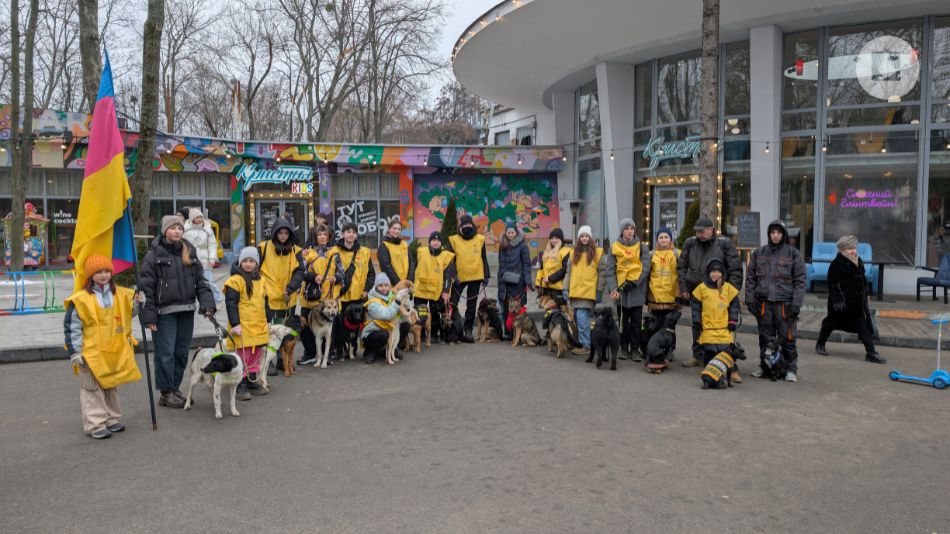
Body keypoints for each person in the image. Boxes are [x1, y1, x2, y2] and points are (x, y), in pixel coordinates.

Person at [140, 215, 216, 409]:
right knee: (166, 353)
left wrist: (207, 303)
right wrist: (148, 316)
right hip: (164, 312)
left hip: (186, 310)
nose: (177, 231)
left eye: (179, 228)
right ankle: (166, 392)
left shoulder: (189, 251)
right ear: (165, 230)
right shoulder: (154, 255)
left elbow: (200, 280)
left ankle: (174, 388)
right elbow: (146, 288)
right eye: (173, 228)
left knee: (181, 352)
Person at [63, 255, 142, 439]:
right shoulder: (80, 299)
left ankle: (112, 419)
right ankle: (95, 424)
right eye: (99, 272)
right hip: (89, 353)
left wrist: (139, 302)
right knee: (91, 388)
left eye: (107, 271)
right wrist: (75, 352)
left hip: (112, 350)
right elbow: (72, 327)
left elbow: (129, 314)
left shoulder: (120, 294)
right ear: (90, 275)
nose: (104, 275)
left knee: (110, 385)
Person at [746, 220, 807, 382]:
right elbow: (751, 279)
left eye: (779, 233)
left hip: (784, 304)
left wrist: (796, 303)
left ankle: (790, 369)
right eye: (772, 232)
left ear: (784, 235)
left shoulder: (793, 254)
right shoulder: (759, 253)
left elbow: (800, 280)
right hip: (764, 303)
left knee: (787, 337)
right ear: (769, 234)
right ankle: (765, 367)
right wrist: (750, 300)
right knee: (765, 338)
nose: (775, 235)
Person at [677, 216, 742, 367]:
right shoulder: (690, 243)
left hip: (718, 293)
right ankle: (698, 355)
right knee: (697, 324)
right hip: (696, 292)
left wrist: (730, 293)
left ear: (711, 230)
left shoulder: (724, 244)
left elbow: (736, 270)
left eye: (702, 231)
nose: (699, 234)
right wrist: (684, 288)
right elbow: (681, 268)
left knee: (720, 325)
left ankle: (721, 357)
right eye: (697, 231)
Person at [815, 235, 887, 364]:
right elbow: (832, 283)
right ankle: (820, 344)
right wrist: (838, 300)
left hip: (857, 304)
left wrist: (867, 294)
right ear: (842, 250)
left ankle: (871, 353)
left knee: (863, 327)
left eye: (854, 247)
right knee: (830, 324)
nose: (853, 251)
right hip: (840, 305)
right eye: (849, 248)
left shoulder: (858, 261)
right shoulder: (836, 264)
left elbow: (863, 280)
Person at [224, 247, 270, 400]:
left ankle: (251, 379)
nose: (248, 264)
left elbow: (266, 302)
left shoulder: (262, 280)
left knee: (255, 354)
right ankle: (239, 382)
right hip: (242, 326)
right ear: (240, 262)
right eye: (245, 261)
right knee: (242, 355)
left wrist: (268, 320)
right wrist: (235, 323)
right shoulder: (235, 281)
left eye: (251, 261)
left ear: (256, 263)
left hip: (258, 324)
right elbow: (231, 303)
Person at [297, 225, 345, 366]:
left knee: (330, 329)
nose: (322, 237)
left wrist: (336, 278)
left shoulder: (335, 253)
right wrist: (313, 276)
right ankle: (310, 354)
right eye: (320, 234)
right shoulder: (309, 253)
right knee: (305, 328)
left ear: (329, 236)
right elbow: (301, 272)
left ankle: (327, 354)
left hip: (329, 297)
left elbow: (342, 272)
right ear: (315, 237)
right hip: (310, 297)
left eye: (325, 234)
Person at [604, 218, 651, 361]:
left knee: (636, 322)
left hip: (636, 290)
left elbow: (646, 267)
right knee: (623, 322)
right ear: (622, 231)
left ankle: (635, 349)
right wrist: (613, 288)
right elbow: (610, 270)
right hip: (621, 291)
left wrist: (634, 281)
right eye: (626, 228)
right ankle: (623, 348)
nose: (629, 231)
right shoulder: (615, 247)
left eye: (632, 228)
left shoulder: (642, 247)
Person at [691, 258, 742, 382]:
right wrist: (697, 321)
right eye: (713, 271)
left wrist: (732, 321)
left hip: (724, 328)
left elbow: (734, 306)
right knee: (709, 352)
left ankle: (733, 372)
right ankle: (710, 372)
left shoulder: (728, 288)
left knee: (727, 351)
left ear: (723, 273)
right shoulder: (701, 288)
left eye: (719, 272)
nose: (716, 274)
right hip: (708, 328)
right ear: (708, 272)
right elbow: (696, 307)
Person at [448, 214, 490, 343]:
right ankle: (456, 328)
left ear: (472, 225)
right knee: (452, 303)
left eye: (469, 224)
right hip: (459, 278)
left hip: (476, 276)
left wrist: (486, 275)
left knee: (471, 306)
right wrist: (454, 276)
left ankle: (468, 330)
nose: (467, 226)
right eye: (464, 224)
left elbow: (483, 257)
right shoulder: (454, 240)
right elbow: (450, 260)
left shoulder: (480, 239)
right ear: (460, 225)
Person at [562, 225, 604, 355]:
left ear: (590, 237)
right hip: (575, 292)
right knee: (579, 319)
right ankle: (584, 343)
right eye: (582, 236)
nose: (584, 238)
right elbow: (568, 272)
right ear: (579, 238)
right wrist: (565, 287)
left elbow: (602, 273)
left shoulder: (598, 253)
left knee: (581, 319)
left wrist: (599, 290)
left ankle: (585, 345)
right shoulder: (573, 253)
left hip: (588, 292)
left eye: (586, 236)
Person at [411, 231, 456, 342]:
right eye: (433, 240)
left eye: (438, 240)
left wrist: (445, 291)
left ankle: (433, 335)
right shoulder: (421, 252)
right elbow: (413, 269)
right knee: (420, 312)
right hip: (421, 289)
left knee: (435, 314)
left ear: (441, 243)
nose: (436, 242)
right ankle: (420, 335)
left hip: (436, 291)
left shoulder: (446, 256)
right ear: (429, 242)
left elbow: (448, 276)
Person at [497, 222, 533, 340]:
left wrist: (528, 281)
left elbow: (526, 265)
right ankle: (508, 333)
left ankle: (519, 334)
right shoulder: (502, 245)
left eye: (512, 232)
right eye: (508, 232)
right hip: (504, 282)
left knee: (517, 309)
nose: (510, 234)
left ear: (516, 232)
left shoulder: (522, 246)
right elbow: (500, 264)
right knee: (505, 308)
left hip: (517, 283)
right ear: (506, 233)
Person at [333, 221, 375, 314]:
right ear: (342, 234)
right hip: (340, 297)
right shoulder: (333, 251)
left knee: (357, 324)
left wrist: (366, 290)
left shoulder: (365, 252)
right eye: (348, 232)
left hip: (359, 296)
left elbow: (371, 274)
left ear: (356, 235)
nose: (351, 234)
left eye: (354, 232)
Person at [183, 208, 223, 304]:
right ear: (192, 218)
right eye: (197, 217)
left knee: (208, 281)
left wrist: (212, 258)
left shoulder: (207, 229)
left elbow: (212, 245)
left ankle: (218, 299)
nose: (199, 219)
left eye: (201, 217)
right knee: (190, 282)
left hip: (205, 260)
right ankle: (192, 301)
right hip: (190, 259)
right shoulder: (185, 229)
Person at [361, 273, 401, 364]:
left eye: (386, 285)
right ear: (376, 287)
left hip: (385, 329)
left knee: (404, 325)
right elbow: (386, 314)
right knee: (383, 334)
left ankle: (389, 350)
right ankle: (371, 352)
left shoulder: (391, 296)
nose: (384, 288)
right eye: (380, 286)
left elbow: (396, 316)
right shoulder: (372, 302)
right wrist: (397, 303)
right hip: (371, 333)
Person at [647, 227, 680, 326]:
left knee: (669, 329)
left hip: (671, 297)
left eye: (666, 237)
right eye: (661, 237)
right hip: (655, 297)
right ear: (657, 240)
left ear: (671, 239)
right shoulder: (651, 255)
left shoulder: (677, 254)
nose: (663, 239)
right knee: (655, 327)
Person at [535, 228, 572, 305]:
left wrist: (550, 278)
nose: (554, 240)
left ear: (561, 239)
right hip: (546, 288)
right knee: (547, 312)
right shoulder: (546, 252)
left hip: (558, 289)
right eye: (552, 238)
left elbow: (564, 270)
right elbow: (542, 269)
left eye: (556, 238)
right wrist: (538, 283)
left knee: (559, 312)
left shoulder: (566, 251)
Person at [378, 219, 414, 285]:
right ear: (389, 229)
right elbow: (386, 267)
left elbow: (411, 262)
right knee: (393, 296)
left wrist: (410, 279)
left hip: (406, 284)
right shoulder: (384, 246)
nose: (396, 231)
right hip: (391, 285)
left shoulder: (405, 244)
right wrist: (398, 283)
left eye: (399, 229)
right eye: (394, 228)